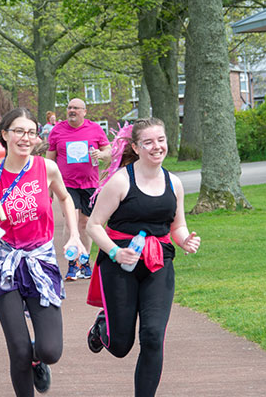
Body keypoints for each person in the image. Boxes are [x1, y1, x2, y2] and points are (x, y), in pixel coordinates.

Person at [0, 107, 86, 397]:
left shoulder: (45, 168)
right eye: (18, 131)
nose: (25, 138)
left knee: (50, 350)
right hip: (4, 264)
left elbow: (65, 198)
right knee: (18, 349)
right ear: (4, 135)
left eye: (30, 132)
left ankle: (39, 361)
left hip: (40, 260)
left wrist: (75, 235)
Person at [83, 119, 201, 397]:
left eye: (160, 139)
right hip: (120, 265)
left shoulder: (174, 183)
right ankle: (102, 328)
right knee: (121, 345)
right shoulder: (121, 181)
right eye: (148, 142)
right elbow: (94, 226)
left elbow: (177, 224)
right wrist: (114, 251)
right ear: (136, 147)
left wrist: (185, 240)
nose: (156, 147)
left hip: (159, 264)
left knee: (152, 337)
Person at [46, 98, 110, 281]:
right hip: (66, 184)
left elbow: (109, 152)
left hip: (90, 183)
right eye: (69, 108)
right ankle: (72, 262)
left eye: (76, 108)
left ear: (84, 111)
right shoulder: (57, 130)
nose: (72, 110)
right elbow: (50, 160)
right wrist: (48, 187)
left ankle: (85, 260)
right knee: (70, 222)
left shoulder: (95, 129)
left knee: (85, 223)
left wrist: (101, 154)